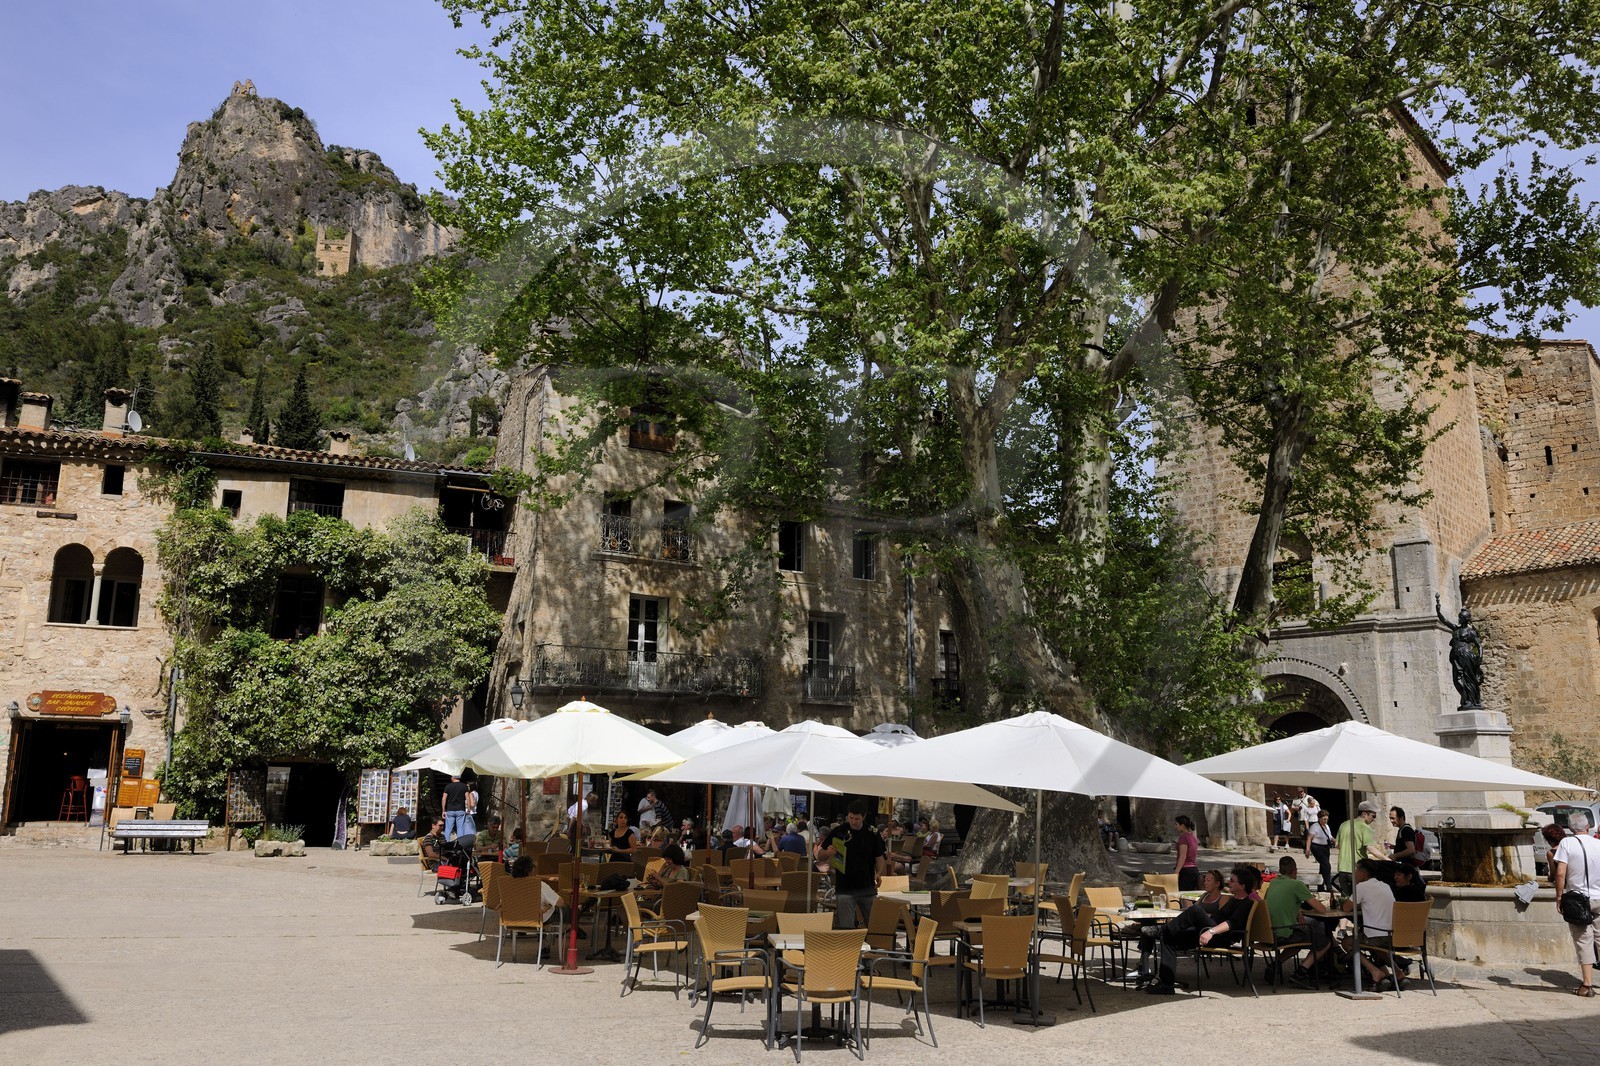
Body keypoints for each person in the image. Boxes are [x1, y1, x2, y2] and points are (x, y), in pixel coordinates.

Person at [1136, 864, 1260, 994]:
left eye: (1233, 881)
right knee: (1168, 938)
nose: (1229, 882)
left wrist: (1210, 932)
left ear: (1242, 886)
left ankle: (1162, 929)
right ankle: (1166, 985)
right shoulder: (1233, 900)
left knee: (1196, 909)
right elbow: (1218, 917)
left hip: (1221, 937)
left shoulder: (1246, 903)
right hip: (1209, 930)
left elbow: (1231, 923)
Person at [1263, 856, 1335, 983]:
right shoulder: (1296, 885)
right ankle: (1302, 971)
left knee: (1301, 938)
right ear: (1295, 871)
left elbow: (1280, 903)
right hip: (1283, 933)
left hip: (1269, 933)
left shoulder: (1273, 883)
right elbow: (1321, 909)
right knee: (1324, 941)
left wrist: (1298, 911)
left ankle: (1276, 964)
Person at [816, 800, 886, 929]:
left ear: (863, 817)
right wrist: (827, 852)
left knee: (875, 927)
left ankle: (873, 948)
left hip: (867, 887)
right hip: (845, 888)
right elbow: (820, 855)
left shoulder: (872, 833)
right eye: (851, 818)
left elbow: (880, 857)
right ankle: (849, 949)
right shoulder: (838, 831)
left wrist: (879, 873)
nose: (853, 821)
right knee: (846, 929)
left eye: (857, 819)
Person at [1554, 811, 1600, 996]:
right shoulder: (1598, 843)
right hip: (1599, 897)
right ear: (1588, 826)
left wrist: (1559, 897)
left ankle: (1587, 985)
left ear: (1571, 828)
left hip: (1578, 900)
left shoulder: (1566, 843)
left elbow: (1560, 873)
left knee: (1583, 940)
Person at [1342, 858, 1399, 989]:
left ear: (1363, 873)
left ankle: (1375, 971)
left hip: (1375, 935)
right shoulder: (1385, 886)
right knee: (1376, 945)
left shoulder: (1361, 887)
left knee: (1347, 942)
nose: (1354, 873)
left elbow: (1346, 908)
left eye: (1356, 870)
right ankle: (1398, 972)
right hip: (1392, 935)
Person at [1436, 593, 1485, 709]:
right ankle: (1465, 700)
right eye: (1459, 616)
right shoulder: (1456, 629)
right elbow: (1444, 620)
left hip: (1466, 655)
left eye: (1461, 617)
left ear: (1466, 619)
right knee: (1457, 679)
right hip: (1456, 657)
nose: (1459, 618)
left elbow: (1479, 645)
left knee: (1469, 679)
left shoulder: (1470, 632)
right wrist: (1438, 611)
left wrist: (1479, 658)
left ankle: (1472, 701)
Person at [1335, 800, 1384, 894]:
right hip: (1358, 868)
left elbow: (1337, 845)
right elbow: (1370, 848)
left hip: (1342, 868)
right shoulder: (1365, 828)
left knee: (1347, 900)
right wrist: (1386, 859)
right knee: (1361, 899)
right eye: (1373, 816)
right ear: (1365, 814)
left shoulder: (1344, 824)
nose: (1374, 819)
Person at [1305, 809, 1336, 892]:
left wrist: (1337, 842)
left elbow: (1330, 837)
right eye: (1324, 819)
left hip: (1325, 848)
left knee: (1323, 867)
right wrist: (1307, 849)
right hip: (1316, 847)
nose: (1326, 821)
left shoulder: (1327, 826)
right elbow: (1309, 838)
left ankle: (1320, 886)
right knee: (1326, 865)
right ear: (1319, 818)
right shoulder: (1315, 826)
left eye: (1327, 819)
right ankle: (1329, 886)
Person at [441, 774, 472, 841]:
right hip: (460, 809)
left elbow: (444, 799)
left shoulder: (448, 786)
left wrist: (443, 810)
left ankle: (446, 844)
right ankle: (460, 844)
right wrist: (468, 809)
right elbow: (467, 798)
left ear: (453, 777)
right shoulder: (464, 786)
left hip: (450, 809)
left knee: (448, 829)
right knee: (460, 828)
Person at [1174, 815, 1201, 891]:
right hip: (1194, 869)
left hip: (1185, 870)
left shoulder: (1183, 838)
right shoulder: (1193, 837)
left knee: (1184, 897)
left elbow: (1183, 856)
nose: (1175, 826)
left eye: (1176, 824)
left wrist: (1176, 872)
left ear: (1182, 825)